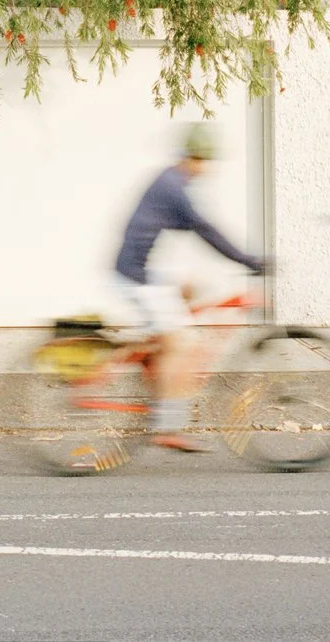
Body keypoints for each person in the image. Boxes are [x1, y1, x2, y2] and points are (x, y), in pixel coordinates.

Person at [111, 120, 266, 451]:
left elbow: (195, 227)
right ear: (193, 157)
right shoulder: (173, 189)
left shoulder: (169, 181)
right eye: (204, 160)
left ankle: (155, 359)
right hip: (133, 275)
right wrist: (248, 261)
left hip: (138, 269)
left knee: (191, 288)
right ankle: (167, 426)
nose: (206, 168)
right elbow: (205, 229)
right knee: (184, 344)